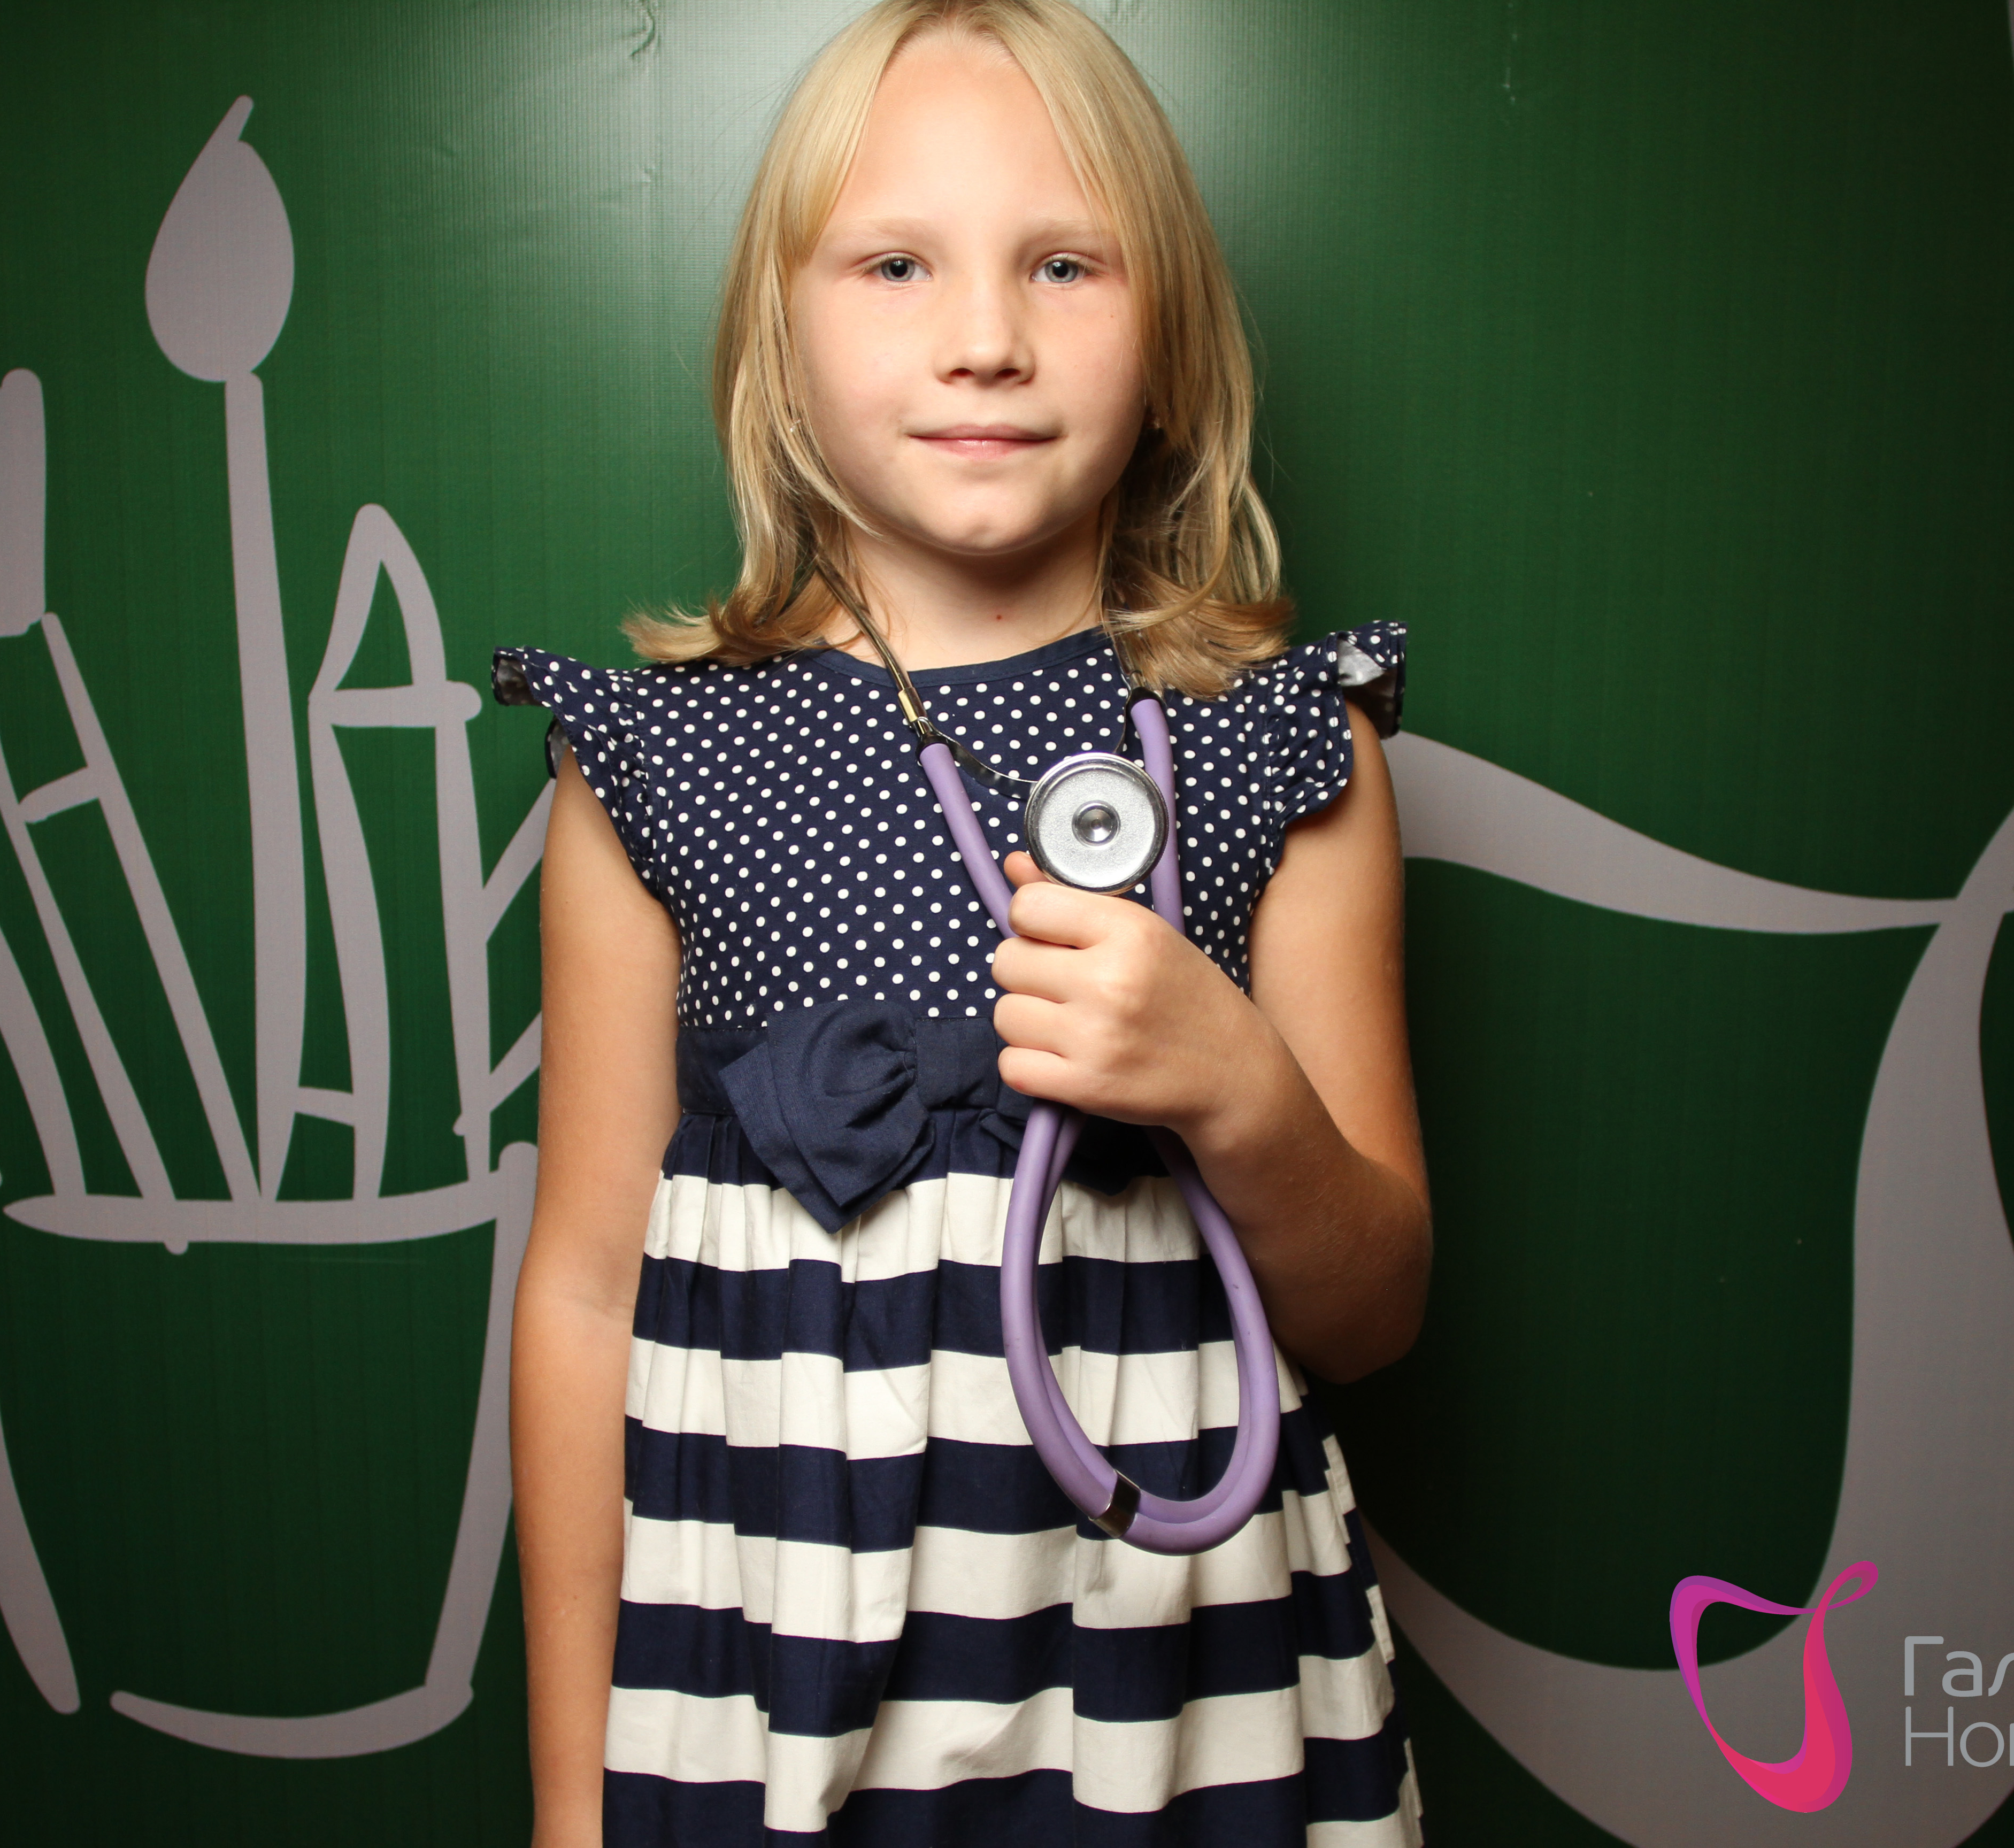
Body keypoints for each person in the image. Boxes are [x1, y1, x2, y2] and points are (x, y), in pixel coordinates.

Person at [497, 3, 1430, 1841]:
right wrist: (570, 1806)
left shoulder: (1281, 745)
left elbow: (1375, 1310)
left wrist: (1236, 1090)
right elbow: (587, 1293)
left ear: (1170, 347)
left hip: (1186, 1703)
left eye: (1067, 264)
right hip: (768, 1693)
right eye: (896, 264)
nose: (986, 337)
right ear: (783, 339)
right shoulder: (653, 762)